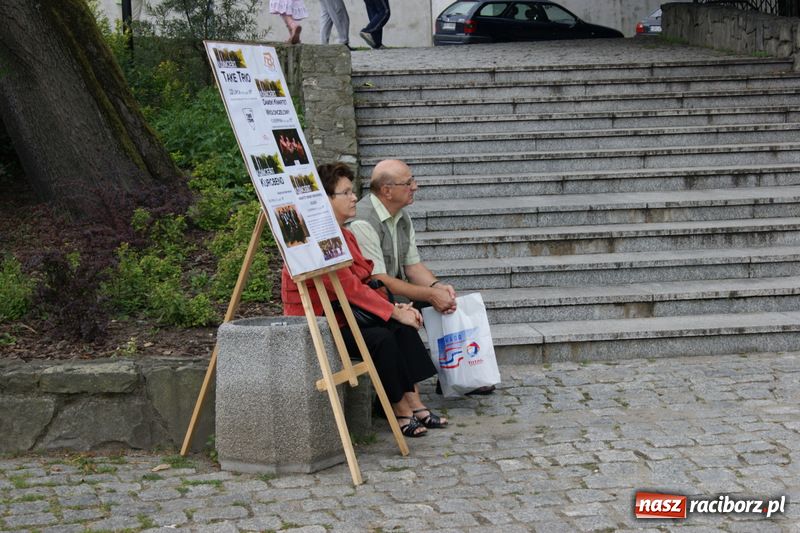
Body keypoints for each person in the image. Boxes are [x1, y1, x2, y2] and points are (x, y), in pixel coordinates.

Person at [281, 162, 448, 437]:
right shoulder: (311, 241)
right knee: (383, 338)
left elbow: (365, 278)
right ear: (325, 200)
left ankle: (415, 403)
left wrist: (395, 307)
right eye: (345, 192)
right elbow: (348, 287)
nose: (354, 197)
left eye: (351, 191)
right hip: (325, 323)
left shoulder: (345, 234)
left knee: (401, 328)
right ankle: (398, 408)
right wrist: (392, 311)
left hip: (348, 315)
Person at [348, 159, 496, 395]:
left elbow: (413, 266)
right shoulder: (363, 222)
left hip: (392, 290)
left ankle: (458, 374)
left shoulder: (401, 215)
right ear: (387, 190)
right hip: (373, 297)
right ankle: (409, 390)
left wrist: (438, 287)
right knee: (427, 301)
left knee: (445, 301)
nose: (415, 186)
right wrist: (429, 294)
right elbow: (379, 279)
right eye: (408, 182)